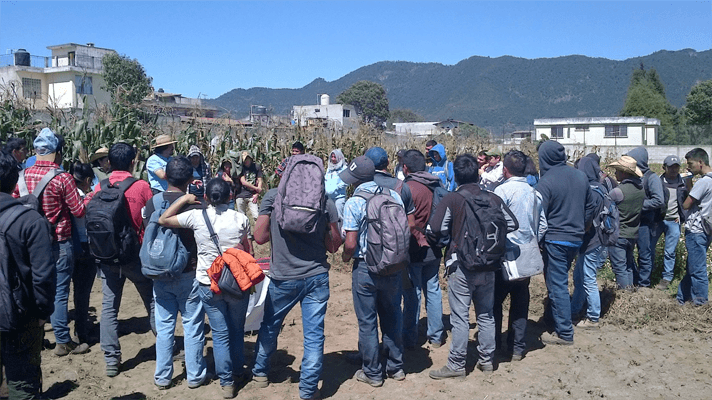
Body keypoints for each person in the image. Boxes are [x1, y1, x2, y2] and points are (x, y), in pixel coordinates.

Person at [251, 156, 342, 400]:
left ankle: (260, 373)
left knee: (270, 325)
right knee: (313, 335)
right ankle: (308, 390)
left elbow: (258, 237)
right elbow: (334, 246)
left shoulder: (272, 197)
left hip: (283, 277)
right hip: (316, 277)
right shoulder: (326, 200)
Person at [158, 178, 252, 398]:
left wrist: (185, 198)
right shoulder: (240, 219)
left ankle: (227, 382)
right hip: (236, 282)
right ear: (230, 196)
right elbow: (248, 250)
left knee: (220, 334)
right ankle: (238, 371)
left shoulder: (196, 216)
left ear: (206, 197)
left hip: (207, 282)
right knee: (237, 330)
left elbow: (164, 219)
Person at [427, 154, 517, 379]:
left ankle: (457, 365)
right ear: (478, 174)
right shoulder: (493, 198)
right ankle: (487, 360)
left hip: (461, 265)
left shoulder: (452, 199)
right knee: (486, 315)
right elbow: (512, 224)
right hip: (489, 265)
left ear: (455, 175)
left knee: (460, 318)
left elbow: (436, 228)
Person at [13, 128, 89, 356]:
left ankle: (35, 337)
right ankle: (63, 340)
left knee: (33, 288)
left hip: (30, 243)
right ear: (56, 153)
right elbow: (78, 211)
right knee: (59, 292)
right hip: (58, 240)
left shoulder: (22, 175)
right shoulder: (62, 177)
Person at [86, 143, 156, 377]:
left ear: (108, 163)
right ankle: (166, 346)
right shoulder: (142, 186)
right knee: (153, 301)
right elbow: (151, 220)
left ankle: (111, 360)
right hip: (134, 255)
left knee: (109, 307)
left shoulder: (100, 187)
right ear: (133, 163)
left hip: (107, 257)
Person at [143, 157, 208, 390]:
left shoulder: (153, 203)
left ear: (166, 177)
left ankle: (162, 377)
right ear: (191, 180)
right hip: (188, 272)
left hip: (159, 273)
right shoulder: (195, 206)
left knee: (164, 326)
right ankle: (195, 375)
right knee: (192, 325)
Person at [341, 155, 406, 387]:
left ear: (356, 179)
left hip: (366, 267)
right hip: (393, 265)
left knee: (367, 321)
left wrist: (345, 258)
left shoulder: (354, 202)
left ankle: (372, 372)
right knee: (392, 315)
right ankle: (395, 367)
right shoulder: (394, 195)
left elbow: (350, 243)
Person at [0, 151, 55, 399]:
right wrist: (42, 313)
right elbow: (42, 277)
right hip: (19, 318)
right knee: (22, 382)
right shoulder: (31, 221)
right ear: (14, 180)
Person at [536, 140, 596, 345]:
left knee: (557, 284)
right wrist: (584, 226)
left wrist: (537, 240)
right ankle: (553, 319)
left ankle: (564, 333)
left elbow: (538, 215)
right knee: (559, 281)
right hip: (576, 238)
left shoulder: (546, 181)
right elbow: (591, 206)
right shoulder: (580, 176)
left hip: (555, 239)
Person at [493, 150, 546, 360]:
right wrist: (531, 242)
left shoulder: (501, 192)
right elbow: (542, 226)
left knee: (495, 302)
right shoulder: (535, 193)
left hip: (505, 257)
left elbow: (495, 225)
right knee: (521, 301)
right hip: (527, 257)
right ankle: (517, 347)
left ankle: (494, 345)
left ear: (505, 170)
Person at [401, 149, 445, 349]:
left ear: (405, 168)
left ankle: (410, 337)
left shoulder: (407, 188)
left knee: (413, 293)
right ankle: (436, 336)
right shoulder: (438, 185)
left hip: (414, 246)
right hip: (435, 246)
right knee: (433, 289)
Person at [570, 157, 606, 329]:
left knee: (588, 278)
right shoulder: (600, 187)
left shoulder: (590, 191)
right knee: (579, 276)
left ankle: (593, 316)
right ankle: (575, 309)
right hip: (596, 239)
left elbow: (586, 218)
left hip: (591, 240)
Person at [626, 147, 665, 288]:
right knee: (628, 252)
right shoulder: (634, 176)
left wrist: (637, 205)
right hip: (632, 221)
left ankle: (644, 284)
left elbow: (659, 200)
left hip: (645, 223)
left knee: (644, 253)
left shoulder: (651, 177)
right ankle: (635, 279)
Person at [677, 148, 712, 306]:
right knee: (693, 265)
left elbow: (686, 204)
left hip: (696, 229)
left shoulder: (704, 181)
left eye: (690, 164)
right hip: (707, 228)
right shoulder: (708, 181)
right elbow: (699, 198)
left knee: (697, 268)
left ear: (700, 162)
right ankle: (682, 298)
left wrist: (686, 183)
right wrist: (690, 181)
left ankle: (700, 303)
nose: (689, 167)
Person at [69, 161, 97, 344]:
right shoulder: (83, 199)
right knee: (82, 291)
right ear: (87, 180)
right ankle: (81, 331)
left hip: (69, 244)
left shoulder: (67, 195)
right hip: (85, 246)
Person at [607, 156, 644, 290]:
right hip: (633, 233)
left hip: (619, 234)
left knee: (620, 267)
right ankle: (630, 291)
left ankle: (624, 294)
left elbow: (604, 208)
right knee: (628, 265)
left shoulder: (618, 192)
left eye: (617, 171)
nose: (615, 173)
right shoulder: (640, 189)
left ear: (623, 173)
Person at [654, 155, 690, 290]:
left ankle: (667, 278)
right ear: (665, 168)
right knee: (649, 248)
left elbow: (688, 201)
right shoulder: (658, 182)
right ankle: (649, 273)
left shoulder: (683, 183)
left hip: (674, 221)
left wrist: (682, 216)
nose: (674, 170)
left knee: (670, 252)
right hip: (658, 220)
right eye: (671, 167)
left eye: (676, 167)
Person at [235, 151, 263, 221]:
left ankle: (257, 231)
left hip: (252, 195)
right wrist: (256, 188)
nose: (247, 161)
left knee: (256, 216)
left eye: (248, 159)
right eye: (245, 159)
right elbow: (243, 182)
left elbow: (260, 180)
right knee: (241, 218)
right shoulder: (240, 168)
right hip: (240, 195)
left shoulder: (256, 167)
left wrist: (257, 193)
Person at [325, 148, 348, 221]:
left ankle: (340, 231)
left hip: (339, 197)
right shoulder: (329, 168)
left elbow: (346, 181)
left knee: (339, 216)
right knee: (329, 217)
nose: (333, 159)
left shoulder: (344, 168)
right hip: (329, 197)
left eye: (335, 157)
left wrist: (336, 187)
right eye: (332, 157)